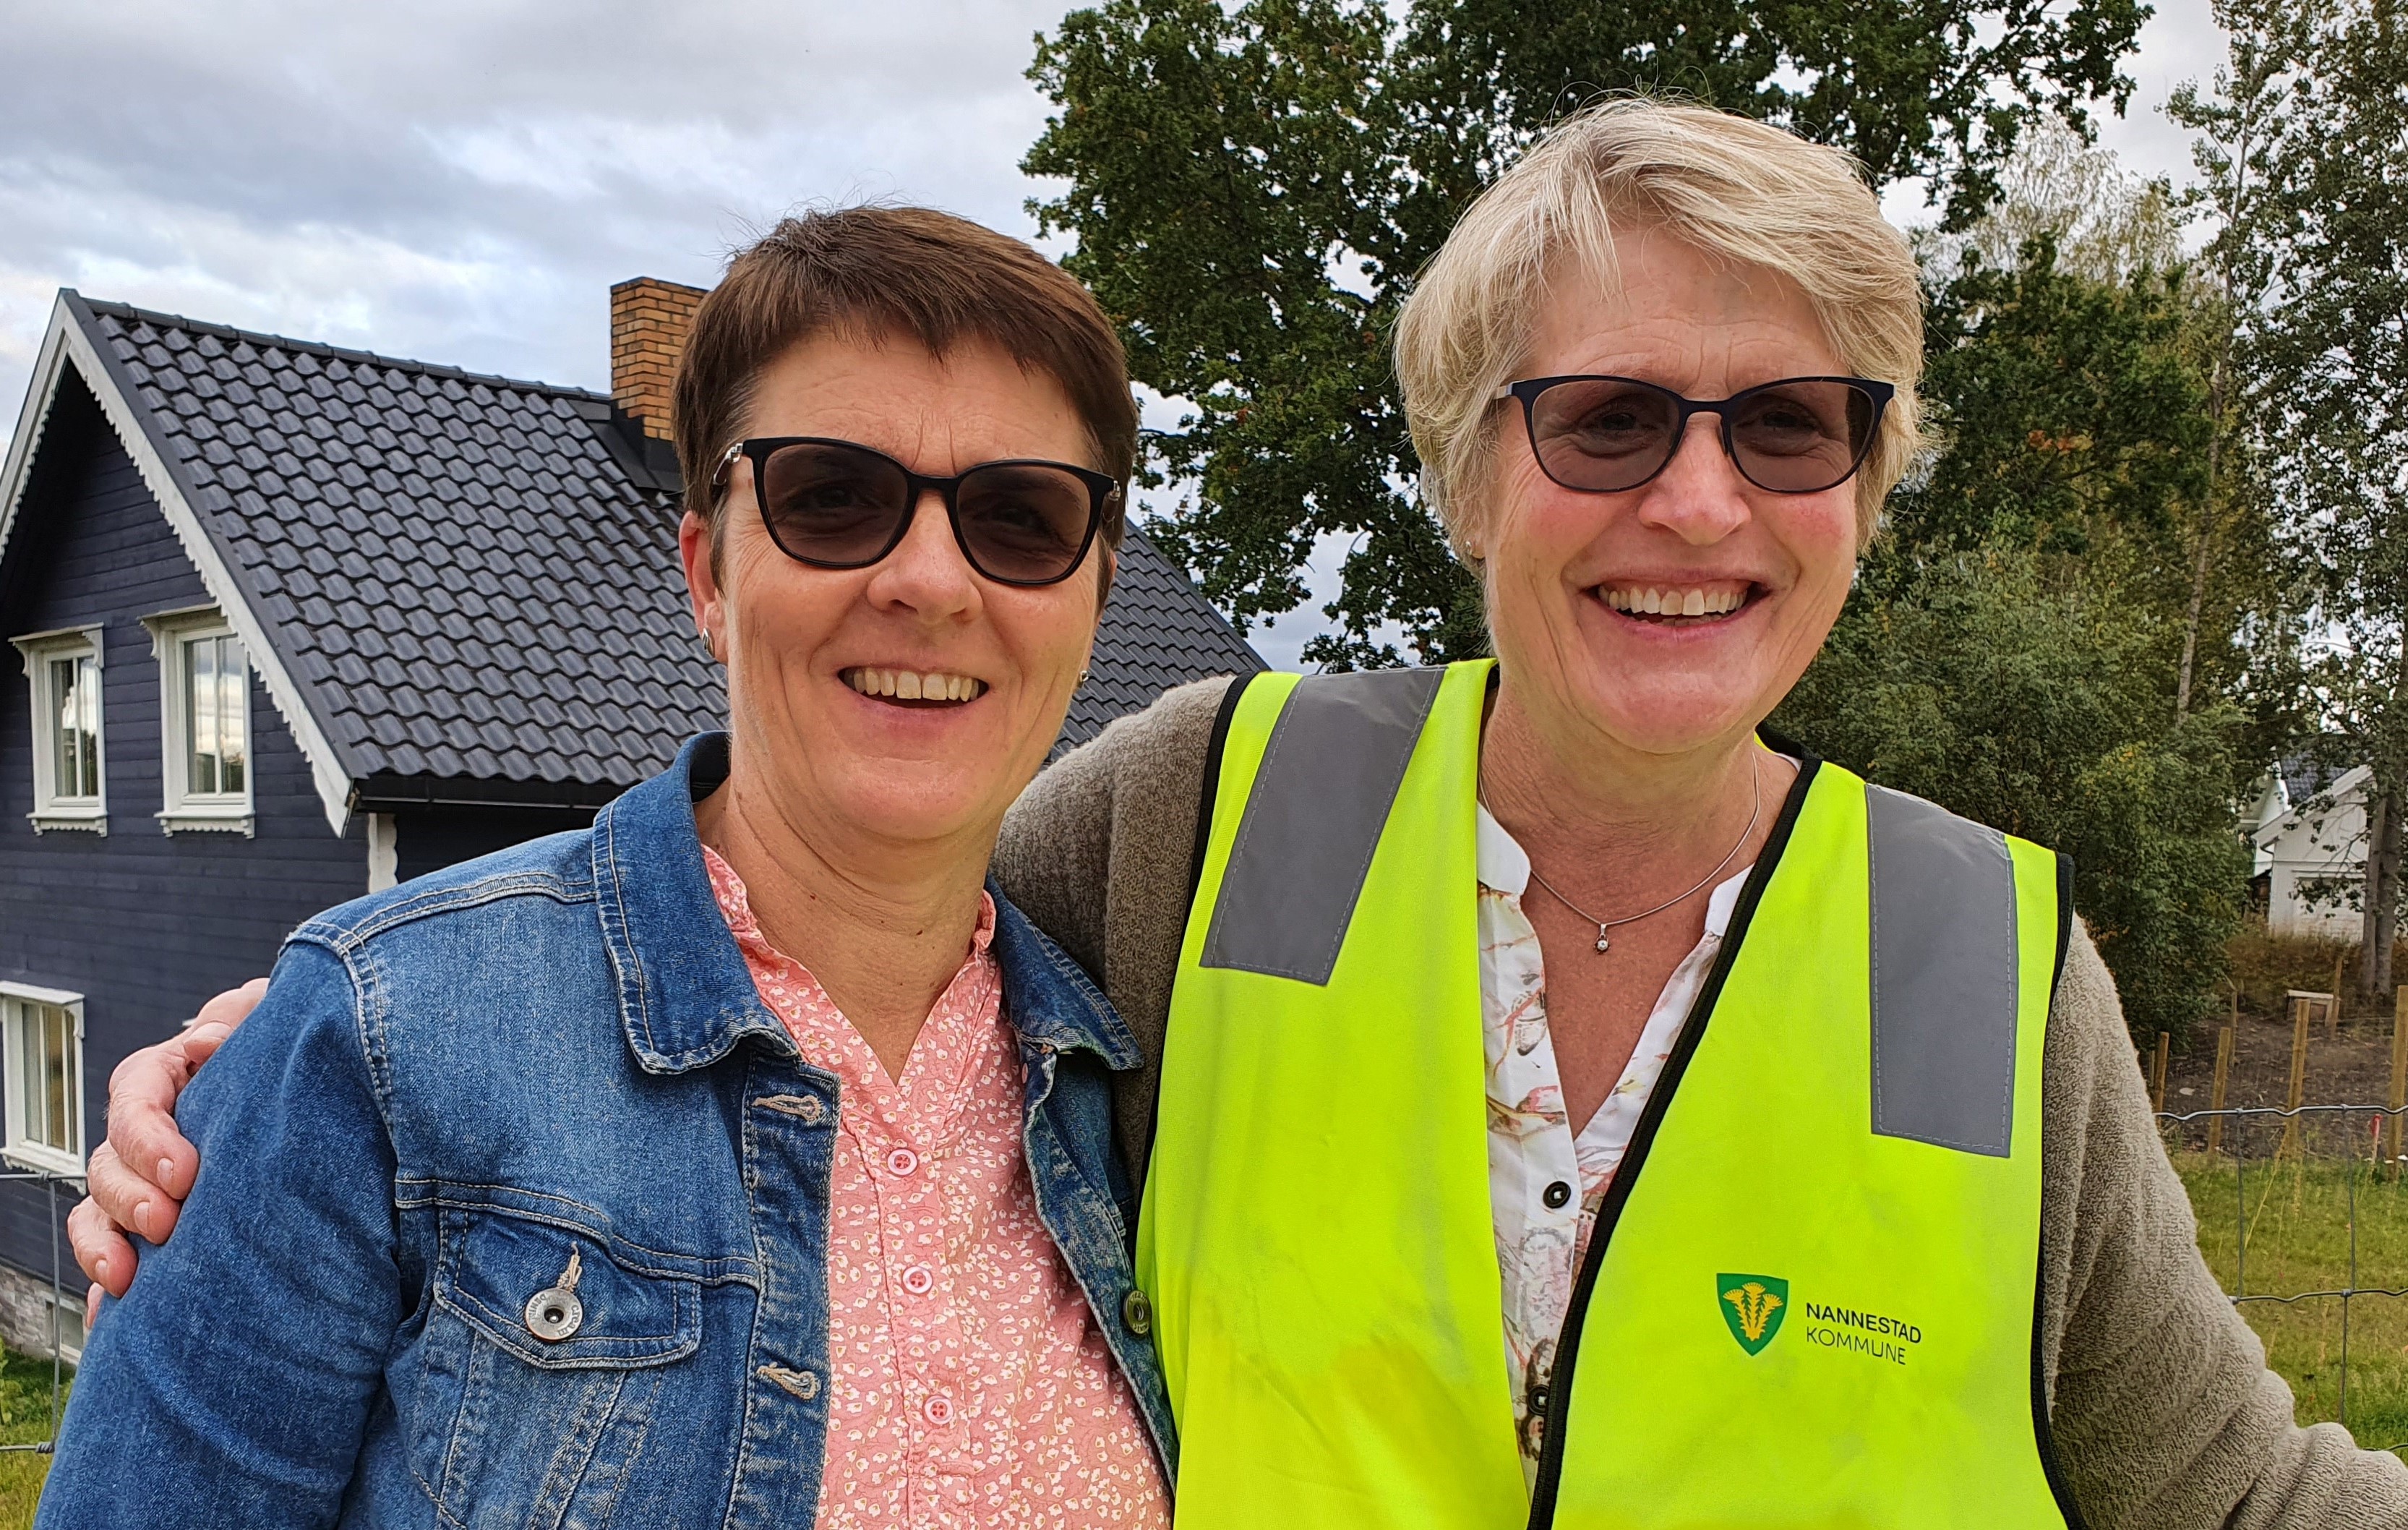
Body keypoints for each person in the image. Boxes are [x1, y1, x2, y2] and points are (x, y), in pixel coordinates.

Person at [72, 101, 2408, 1526]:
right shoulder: (1212, 819)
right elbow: (790, 908)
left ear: (1865, 492)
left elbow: (2237, 1494)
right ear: (1476, 464)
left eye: (1791, 426)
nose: (1694, 502)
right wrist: (282, 1054)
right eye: (1604, 420)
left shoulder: (1982, 965)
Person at [38, 206, 1173, 1527]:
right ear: (707, 572)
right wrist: (297, 1034)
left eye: (1021, 518)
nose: (929, 578)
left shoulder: (1128, 1080)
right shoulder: (385, 1046)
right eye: (833, 498)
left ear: (1091, 601)